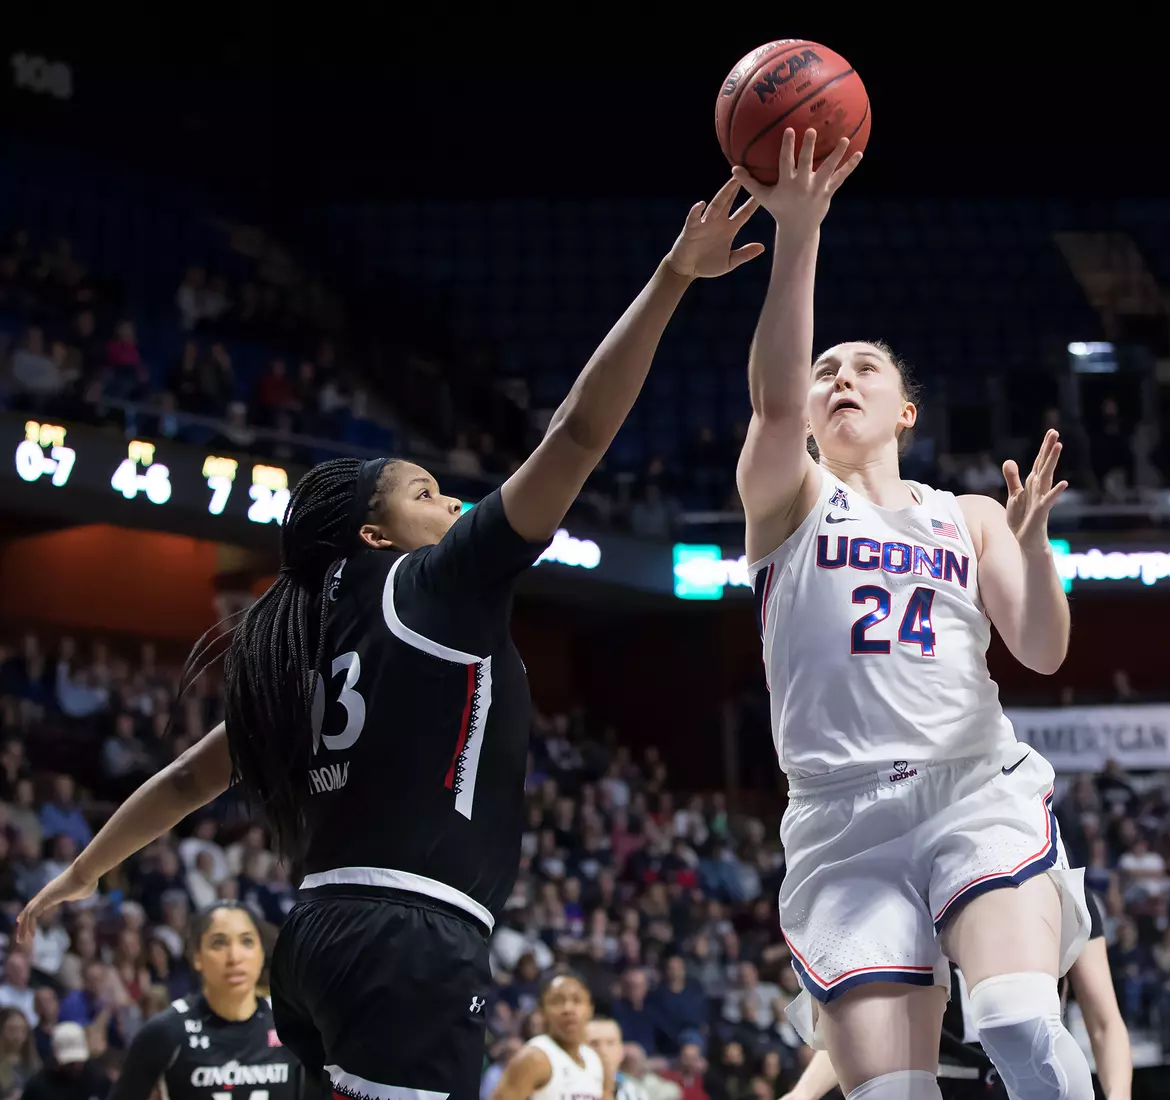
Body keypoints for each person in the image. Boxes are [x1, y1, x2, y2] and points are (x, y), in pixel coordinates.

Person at [13, 181, 765, 1100]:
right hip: (407, 937)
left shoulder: (301, 636)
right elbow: (574, 435)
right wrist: (673, 275)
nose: (450, 502)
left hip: (316, 936)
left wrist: (86, 871)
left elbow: (185, 780)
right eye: (422, 493)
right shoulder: (437, 581)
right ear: (374, 534)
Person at [728, 129, 1090, 1100]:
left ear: (906, 413)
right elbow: (768, 404)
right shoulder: (789, 500)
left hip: (969, 786)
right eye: (825, 370)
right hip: (841, 821)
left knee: (1016, 1016)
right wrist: (798, 230)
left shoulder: (965, 515)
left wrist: (1034, 542)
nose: (840, 376)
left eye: (865, 370)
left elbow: (1045, 650)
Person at [110, 901, 304, 1100]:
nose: (234, 957)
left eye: (246, 941)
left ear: (261, 953)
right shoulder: (167, 1031)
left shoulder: (291, 1025)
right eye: (219, 943)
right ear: (196, 957)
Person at [490, 976, 604, 1100]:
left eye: (577, 1000)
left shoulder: (594, 1059)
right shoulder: (534, 1057)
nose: (568, 1009)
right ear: (542, 1011)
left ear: (590, 1008)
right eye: (557, 1002)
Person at [19, 1024, 109, 1100]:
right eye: (69, 1063)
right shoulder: (38, 1087)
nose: (74, 1066)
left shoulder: (98, 1078)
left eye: (78, 1061)